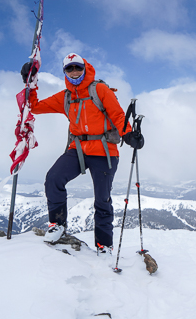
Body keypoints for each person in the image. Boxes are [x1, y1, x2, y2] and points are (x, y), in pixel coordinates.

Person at [20, 53, 141, 253]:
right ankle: (57, 224)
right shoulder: (66, 96)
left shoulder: (100, 90)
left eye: (77, 67)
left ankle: (104, 245)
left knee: (102, 199)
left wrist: (128, 134)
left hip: (104, 151)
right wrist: (29, 83)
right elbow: (35, 107)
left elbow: (118, 115)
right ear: (65, 72)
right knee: (53, 178)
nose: (74, 72)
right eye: (69, 69)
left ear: (84, 68)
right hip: (77, 149)